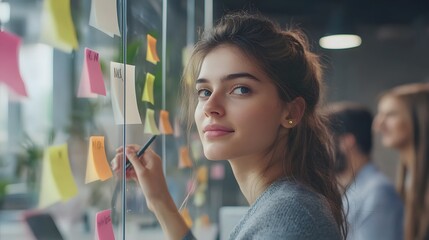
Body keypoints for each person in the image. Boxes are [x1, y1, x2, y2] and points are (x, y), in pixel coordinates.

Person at [112, 12, 347, 240]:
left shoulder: (290, 217)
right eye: (204, 92)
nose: (210, 106)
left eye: (240, 89)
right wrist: (159, 201)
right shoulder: (283, 206)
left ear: (291, 112)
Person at [327, 102, 404, 240]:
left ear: (347, 142)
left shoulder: (378, 193)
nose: (323, 150)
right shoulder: (354, 188)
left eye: (327, 141)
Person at [373, 83, 429, 240]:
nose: (378, 125)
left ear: (420, 118)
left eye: (391, 114)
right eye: (380, 114)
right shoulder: (409, 179)